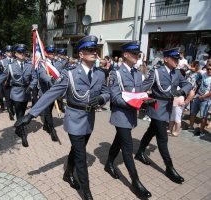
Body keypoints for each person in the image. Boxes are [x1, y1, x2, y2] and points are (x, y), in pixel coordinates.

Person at [15, 35, 109, 200]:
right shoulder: (70, 74)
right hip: (74, 119)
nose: (94, 53)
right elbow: (51, 94)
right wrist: (30, 115)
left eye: (95, 50)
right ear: (81, 54)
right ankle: (87, 193)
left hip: (89, 119)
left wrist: (102, 99)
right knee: (81, 155)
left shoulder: (100, 74)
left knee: (76, 150)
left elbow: (106, 92)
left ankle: (67, 174)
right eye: (90, 50)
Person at [135, 47, 192, 184]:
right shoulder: (157, 72)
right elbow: (143, 87)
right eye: (174, 59)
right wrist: (135, 95)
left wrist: (182, 92)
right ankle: (169, 167)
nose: (177, 61)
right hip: (157, 107)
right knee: (162, 138)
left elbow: (188, 84)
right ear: (166, 59)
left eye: (178, 59)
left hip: (167, 108)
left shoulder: (177, 73)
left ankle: (140, 152)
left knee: (151, 131)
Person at [106, 41, 152, 198]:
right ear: (125, 55)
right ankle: (136, 182)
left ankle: (109, 164)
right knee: (127, 147)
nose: (136, 56)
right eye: (134, 53)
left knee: (118, 141)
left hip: (131, 116)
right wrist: (135, 102)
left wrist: (145, 100)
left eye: (138, 54)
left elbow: (138, 93)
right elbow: (115, 98)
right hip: (121, 116)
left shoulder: (138, 73)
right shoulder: (116, 74)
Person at [0, 44, 37, 147]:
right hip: (15, 93)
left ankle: (18, 128)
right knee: (19, 114)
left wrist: (31, 86)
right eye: (19, 52)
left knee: (22, 113)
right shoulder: (10, 66)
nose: (22, 54)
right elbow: (1, 78)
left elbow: (35, 78)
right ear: (15, 54)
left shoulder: (30, 65)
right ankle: (23, 135)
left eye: (23, 52)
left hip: (26, 93)